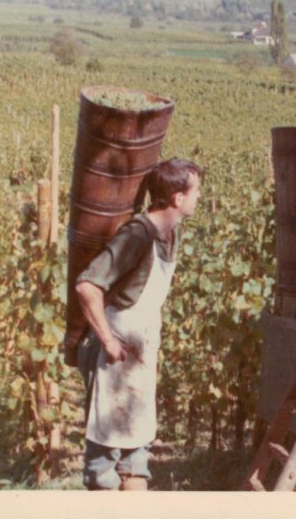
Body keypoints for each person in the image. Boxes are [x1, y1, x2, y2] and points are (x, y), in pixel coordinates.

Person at [74, 158, 202, 491]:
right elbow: (87, 286)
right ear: (177, 198)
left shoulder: (168, 234)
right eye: (196, 190)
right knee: (103, 465)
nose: (199, 197)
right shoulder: (138, 235)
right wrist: (108, 341)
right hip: (114, 362)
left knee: (136, 459)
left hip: (139, 360)